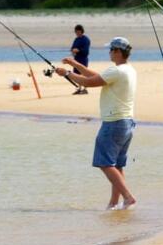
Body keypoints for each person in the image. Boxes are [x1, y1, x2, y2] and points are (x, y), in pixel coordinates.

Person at [55, 37, 137, 210]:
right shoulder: (128, 70)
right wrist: (75, 64)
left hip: (114, 122)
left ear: (117, 51)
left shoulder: (118, 71)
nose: (109, 53)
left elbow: (90, 82)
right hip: (126, 123)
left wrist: (67, 73)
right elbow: (96, 76)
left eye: (110, 50)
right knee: (116, 165)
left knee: (104, 163)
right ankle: (114, 203)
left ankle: (128, 197)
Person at [70, 24, 91, 95]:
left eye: (78, 32)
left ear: (81, 31)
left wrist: (78, 50)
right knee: (76, 74)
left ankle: (85, 89)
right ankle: (79, 89)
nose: (77, 33)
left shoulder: (86, 40)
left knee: (83, 75)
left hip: (83, 59)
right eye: (76, 32)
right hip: (76, 59)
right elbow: (72, 48)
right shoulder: (76, 39)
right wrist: (73, 51)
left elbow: (86, 51)